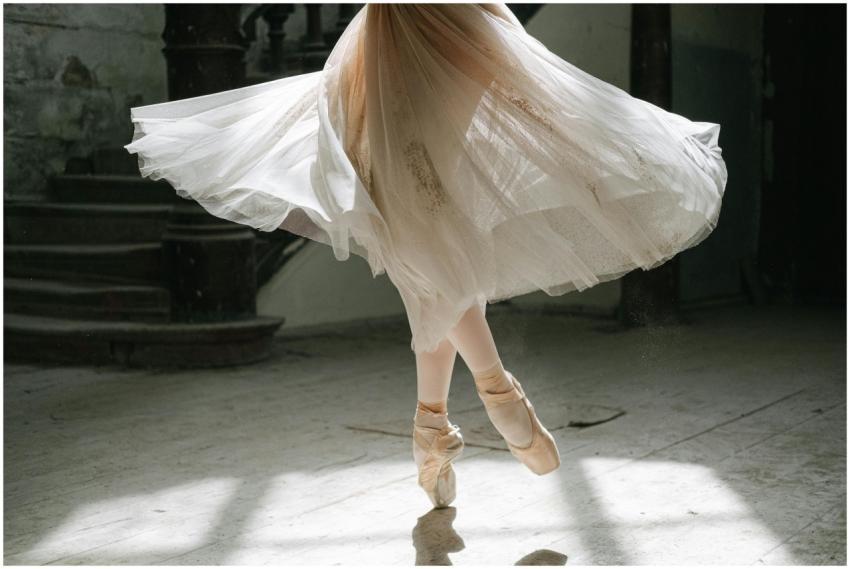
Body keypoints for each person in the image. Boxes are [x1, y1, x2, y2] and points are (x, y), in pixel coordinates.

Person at [124, 4, 728, 509]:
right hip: (396, 28)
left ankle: (441, 423)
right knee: (424, 236)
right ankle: (475, 406)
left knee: (427, 239)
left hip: (448, 23)